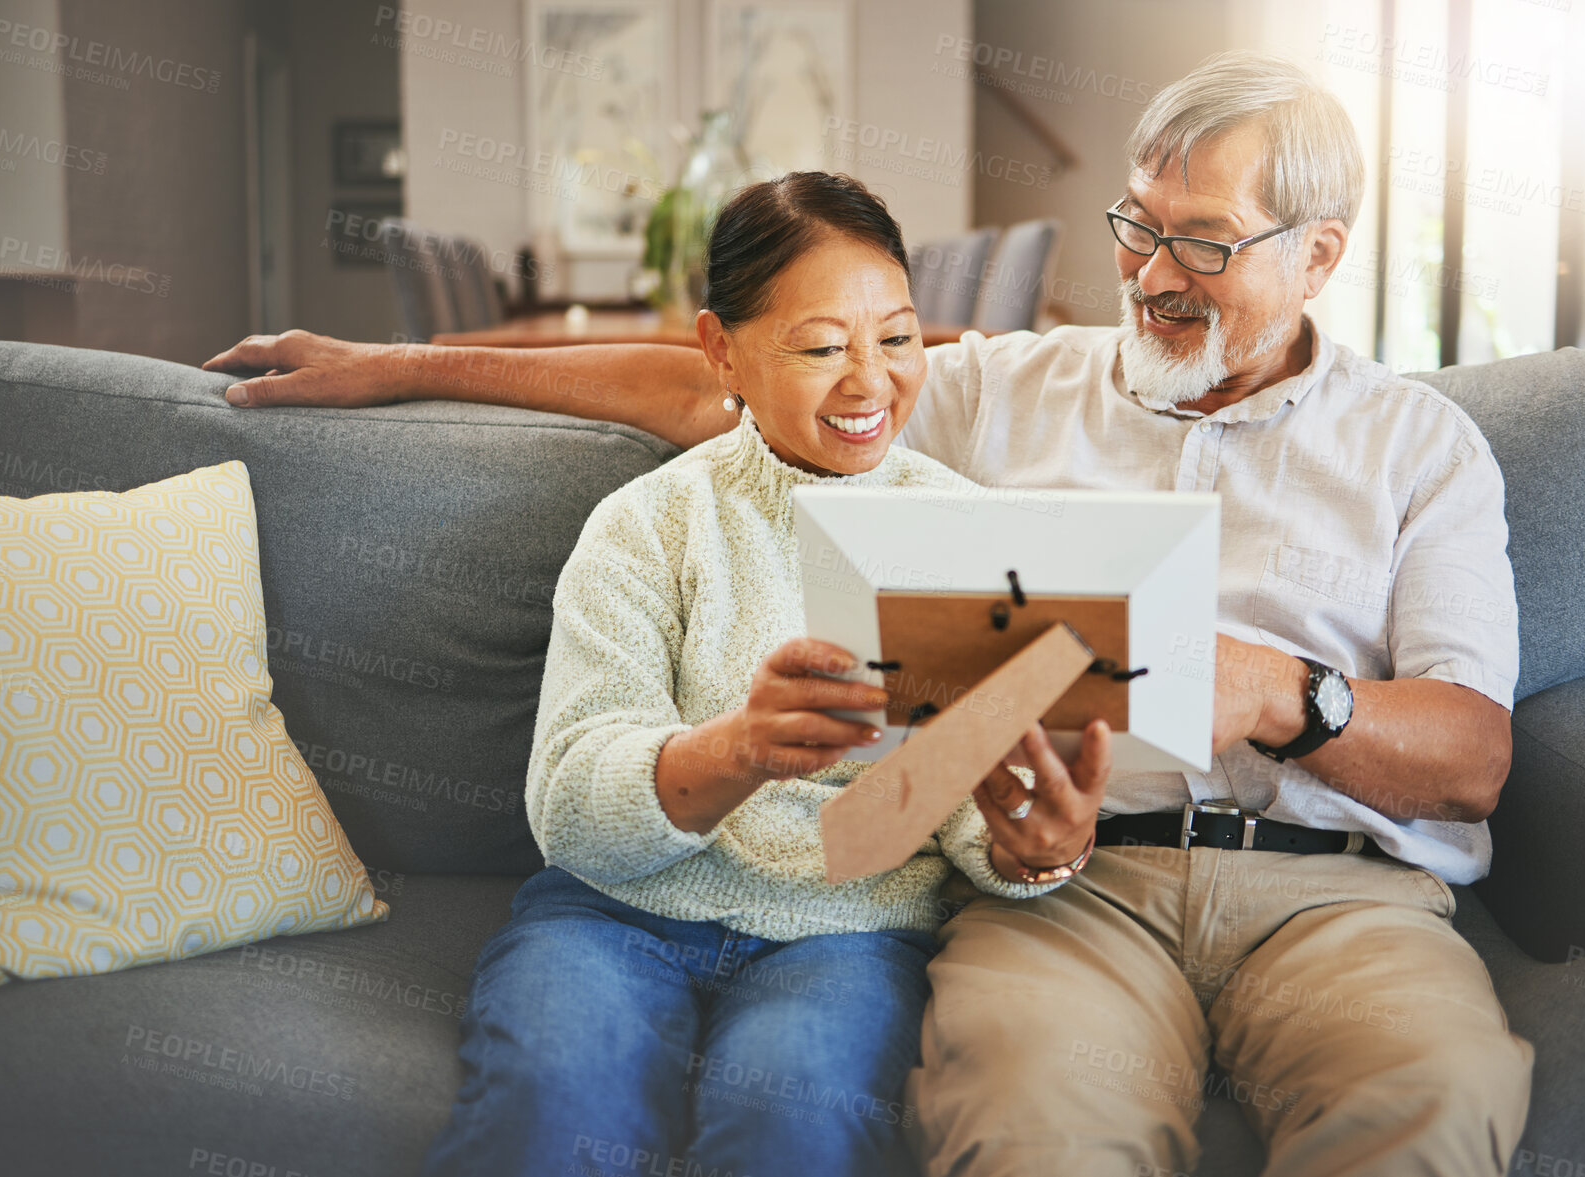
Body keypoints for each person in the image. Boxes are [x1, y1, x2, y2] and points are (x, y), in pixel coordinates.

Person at [206, 52, 1534, 1176]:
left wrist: (1270, 689)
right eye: (1135, 226)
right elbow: (742, 384)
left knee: (1426, 1102)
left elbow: (1468, 758)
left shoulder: (1419, 448)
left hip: (1336, 897)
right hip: (1076, 883)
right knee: (1023, 1115)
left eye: (1202, 242)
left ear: (1317, 257)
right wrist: (403, 363)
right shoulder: (1007, 388)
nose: (1149, 275)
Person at [403, 171, 1110, 1177]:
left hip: (848, 935)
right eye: (823, 348)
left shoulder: (962, 532)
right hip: (614, 916)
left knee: (793, 1125)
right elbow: (566, 807)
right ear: (720, 351)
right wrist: (734, 749)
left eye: (899, 338)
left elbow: (967, 807)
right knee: (550, 1109)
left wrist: (1034, 848)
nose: (870, 383)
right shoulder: (649, 524)